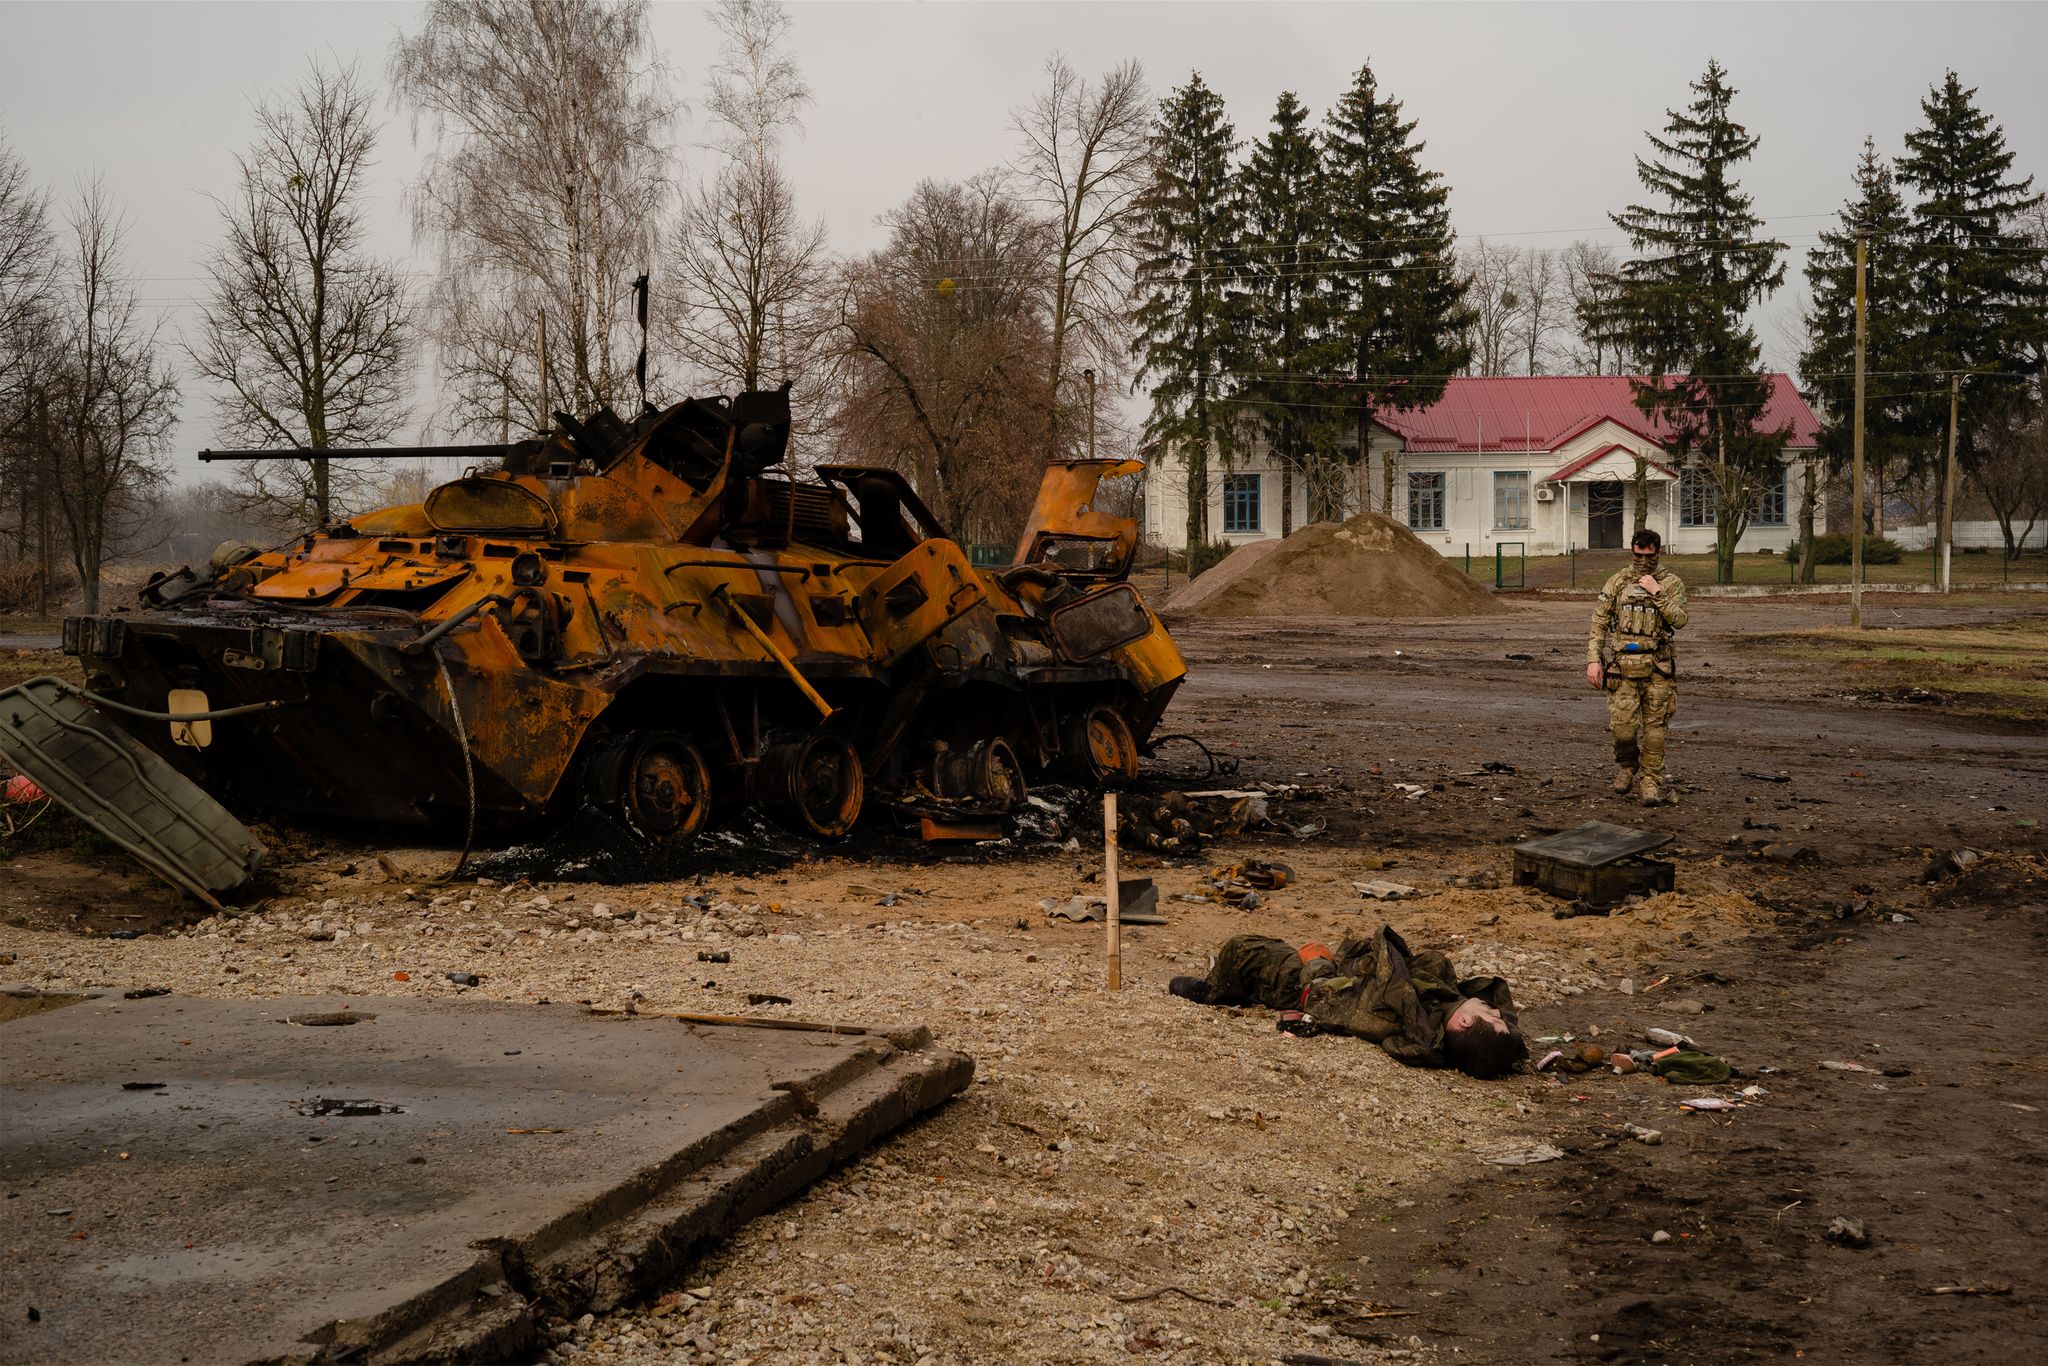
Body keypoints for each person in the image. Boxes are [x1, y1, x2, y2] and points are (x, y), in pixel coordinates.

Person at [1167, 925, 1527, 1078]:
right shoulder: (1445, 1007)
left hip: (1307, 983)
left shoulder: (1395, 1017)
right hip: (1347, 971)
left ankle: (1212, 992)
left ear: (1464, 1025)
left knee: (1244, 947)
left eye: (1493, 1019)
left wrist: (1316, 963)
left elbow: (1325, 1003)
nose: (1495, 1011)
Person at [1585, 527, 1689, 806]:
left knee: (1655, 732)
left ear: (1658, 552)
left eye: (1649, 555)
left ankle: (1650, 781)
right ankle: (1627, 766)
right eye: (1638, 554)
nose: (1644, 560)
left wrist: (1657, 593)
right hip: (1623, 670)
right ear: (1632, 551)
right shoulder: (1618, 581)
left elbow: (1680, 620)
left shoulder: (1671, 583)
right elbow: (1599, 623)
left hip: (1658, 668)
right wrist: (1594, 660)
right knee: (1623, 730)